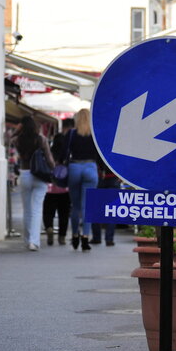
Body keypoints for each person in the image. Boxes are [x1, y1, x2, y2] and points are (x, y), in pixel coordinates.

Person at [12, 116, 56, 252]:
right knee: (37, 209)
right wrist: (53, 169)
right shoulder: (41, 139)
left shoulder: (17, 140)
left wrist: (16, 131)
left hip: (25, 174)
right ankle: (34, 242)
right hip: (40, 176)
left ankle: (27, 240)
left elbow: (6, 140)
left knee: (27, 210)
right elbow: (49, 160)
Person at [66, 108, 98, 252]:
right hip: (90, 167)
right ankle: (85, 237)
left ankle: (74, 235)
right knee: (88, 206)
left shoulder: (71, 134)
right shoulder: (94, 134)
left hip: (74, 167)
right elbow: (100, 154)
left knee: (76, 206)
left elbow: (63, 153)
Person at [43, 119, 73, 246]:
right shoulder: (68, 155)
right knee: (64, 213)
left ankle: (49, 227)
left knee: (48, 211)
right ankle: (62, 236)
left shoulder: (50, 154)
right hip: (65, 189)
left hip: (50, 188)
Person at [90, 159, 119, 246]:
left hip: (99, 177)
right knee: (112, 210)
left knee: (95, 209)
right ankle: (109, 239)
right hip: (114, 178)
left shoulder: (98, 146)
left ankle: (96, 237)